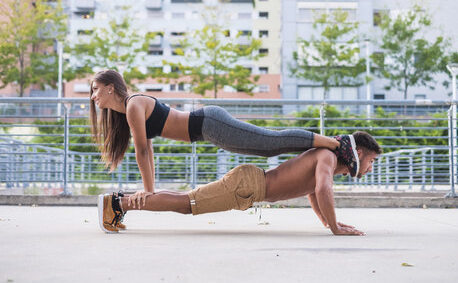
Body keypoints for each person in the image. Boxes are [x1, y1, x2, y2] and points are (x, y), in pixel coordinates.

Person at [90, 69, 360, 206]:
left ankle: (337, 143)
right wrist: (150, 188)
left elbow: (143, 153)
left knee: (270, 142)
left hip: (209, 123)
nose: (93, 96)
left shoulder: (135, 105)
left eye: (96, 90)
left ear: (111, 88)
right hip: (208, 131)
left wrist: (149, 191)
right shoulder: (130, 111)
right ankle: (332, 144)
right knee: (269, 147)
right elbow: (147, 153)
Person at [98, 131, 381, 235]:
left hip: (248, 185)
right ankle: (117, 204)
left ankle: (119, 202)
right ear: (358, 154)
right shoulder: (327, 157)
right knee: (186, 204)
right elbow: (322, 190)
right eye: (371, 161)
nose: (370, 168)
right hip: (246, 185)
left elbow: (313, 194)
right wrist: (334, 227)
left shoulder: (326, 161)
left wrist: (326, 222)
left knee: (187, 199)